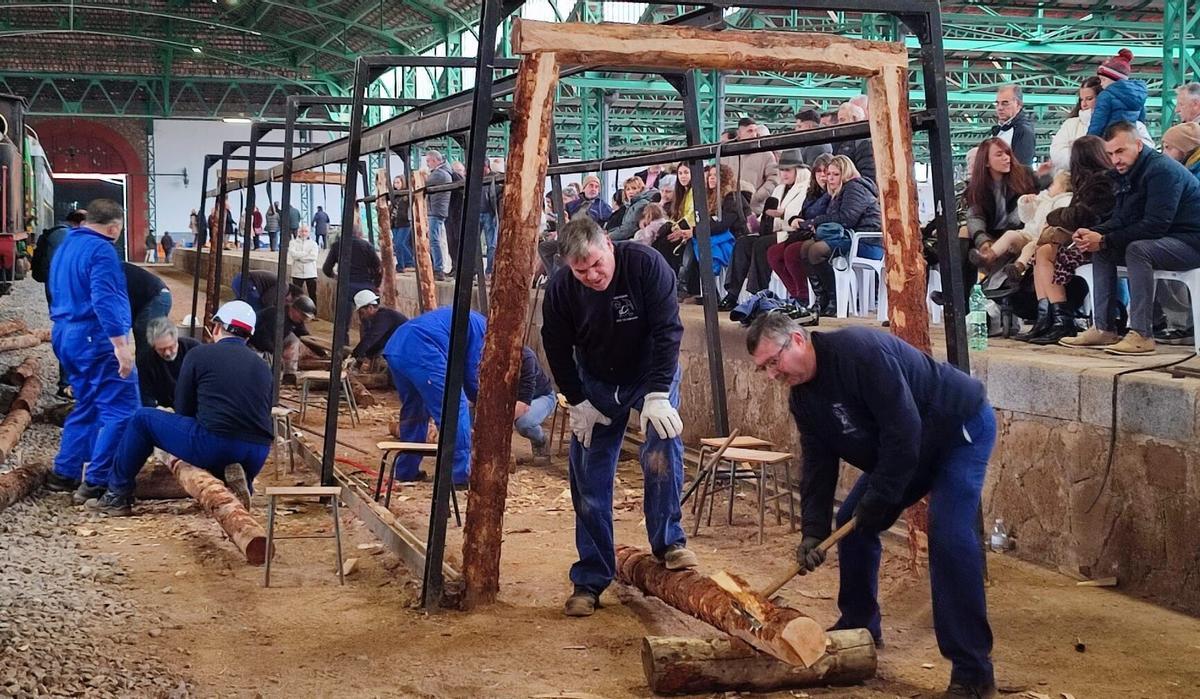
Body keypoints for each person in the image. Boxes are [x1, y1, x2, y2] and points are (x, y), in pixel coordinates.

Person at [746, 314, 997, 699]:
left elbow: (903, 431)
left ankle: (973, 672)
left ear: (797, 340)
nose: (771, 375)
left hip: (955, 430)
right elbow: (817, 465)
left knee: (948, 535)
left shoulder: (859, 353)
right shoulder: (804, 400)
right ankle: (859, 625)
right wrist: (814, 532)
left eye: (773, 362)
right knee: (852, 522)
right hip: (908, 448)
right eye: (764, 369)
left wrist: (879, 500)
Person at [541, 217, 694, 618]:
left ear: (608, 244)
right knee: (589, 471)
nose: (592, 275)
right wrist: (577, 401)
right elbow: (555, 348)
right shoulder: (560, 290)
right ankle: (590, 578)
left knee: (662, 446)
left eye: (596, 264)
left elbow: (668, 332)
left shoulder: (646, 265)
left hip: (650, 373)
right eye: (581, 270)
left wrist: (659, 393)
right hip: (596, 379)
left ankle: (668, 541)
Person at [86, 301, 274, 515]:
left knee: (142, 419)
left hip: (215, 443)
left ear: (217, 328)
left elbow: (184, 409)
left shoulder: (199, 354)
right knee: (225, 438)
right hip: (258, 452)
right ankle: (242, 482)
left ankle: (116, 495)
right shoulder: (263, 366)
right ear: (248, 336)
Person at [1062, 122, 1200, 355]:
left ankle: (1142, 334)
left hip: (1191, 242)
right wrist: (1095, 232)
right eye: (1110, 154)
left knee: (1138, 249)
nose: (1115, 160)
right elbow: (1122, 219)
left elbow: (1155, 225)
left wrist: (1105, 239)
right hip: (1168, 238)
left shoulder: (1162, 171)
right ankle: (1104, 328)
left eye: (1120, 151)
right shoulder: (1128, 174)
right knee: (1103, 249)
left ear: (1138, 145)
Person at [43, 199, 141, 506]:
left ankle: (65, 473)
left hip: (65, 334)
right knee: (123, 408)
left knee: (88, 404)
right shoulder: (102, 251)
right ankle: (97, 482)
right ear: (114, 227)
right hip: (94, 337)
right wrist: (121, 345)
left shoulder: (67, 244)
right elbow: (105, 299)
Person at [1017, 135, 1116, 345]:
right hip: (1086, 239)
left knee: (1044, 252)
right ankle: (1049, 317)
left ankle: (1060, 320)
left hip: (1095, 241)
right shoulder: (1095, 181)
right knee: (1042, 250)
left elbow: (1081, 215)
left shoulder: (1099, 183)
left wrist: (1053, 217)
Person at [382, 307, 486, 486]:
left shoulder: (471, 319)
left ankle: (406, 470)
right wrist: (483, 403)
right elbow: (470, 373)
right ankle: (460, 474)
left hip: (396, 347)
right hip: (422, 350)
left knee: (415, 410)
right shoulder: (484, 331)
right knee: (454, 405)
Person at [778, 155, 882, 317]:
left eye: (835, 174)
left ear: (846, 174)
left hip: (866, 242)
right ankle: (822, 298)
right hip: (848, 238)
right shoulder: (839, 191)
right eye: (829, 174)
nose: (830, 178)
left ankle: (835, 299)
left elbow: (847, 218)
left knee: (816, 250)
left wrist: (815, 221)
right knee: (805, 248)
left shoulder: (854, 188)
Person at [731, 150, 812, 307]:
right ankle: (732, 293)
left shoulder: (806, 188)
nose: (783, 174)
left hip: (793, 233)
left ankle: (758, 292)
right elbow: (768, 216)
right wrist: (755, 221)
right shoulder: (779, 189)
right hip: (774, 231)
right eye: (781, 170)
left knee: (762, 244)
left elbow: (796, 216)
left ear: (798, 170)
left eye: (787, 170)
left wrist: (781, 215)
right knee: (743, 242)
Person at [964, 138, 1037, 280]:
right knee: (963, 232)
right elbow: (975, 216)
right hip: (991, 234)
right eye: (999, 155)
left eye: (1007, 153)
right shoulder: (976, 188)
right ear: (985, 162)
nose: (1007, 158)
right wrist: (983, 241)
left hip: (1019, 231)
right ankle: (958, 290)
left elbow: (1030, 208)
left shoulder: (1025, 176)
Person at [32, 208, 87, 398]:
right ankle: (67, 385)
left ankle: (69, 383)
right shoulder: (64, 236)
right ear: (80, 223)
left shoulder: (60, 234)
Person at [768, 153, 834, 306]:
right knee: (773, 253)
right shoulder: (812, 192)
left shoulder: (832, 194)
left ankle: (804, 296)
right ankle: (795, 293)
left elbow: (829, 216)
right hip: (802, 232)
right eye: (819, 171)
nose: (823, 176)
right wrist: (793, 219)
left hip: (818, 235)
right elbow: (801, 213)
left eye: (827, 172)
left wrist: (803, 222)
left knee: (791, 252)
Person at [322, 225, 382, 349]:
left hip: (346, 285)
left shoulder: (337, 245)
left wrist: (335, 276)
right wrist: (376, 285)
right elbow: (378, 268)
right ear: (359, 234)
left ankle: (342, 347)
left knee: (343, 321)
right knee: (368, 320)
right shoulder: (366, 246)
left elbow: (326, 268)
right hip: (365, 285)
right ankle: (368, 348)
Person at [720, 117, 780, 215]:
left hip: (753, 210)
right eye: (749, 131)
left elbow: (774, 178)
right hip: (728, 209)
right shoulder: (727, 153)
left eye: (755, 131)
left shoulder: (766, 154)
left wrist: (757, 197)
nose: (753, 134)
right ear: (739, 133)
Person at [137, 317, 199, 408]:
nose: (167, 353)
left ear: (176, 339)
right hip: (166, 408)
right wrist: (157, 408)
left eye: (171, 347)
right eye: (161, 349)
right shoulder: (145, 360)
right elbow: (146, 395)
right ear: (153, 346)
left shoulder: (194, 349)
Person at [1087, 49, 1147, 138]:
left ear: (1115, 80)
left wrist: (1090, 140)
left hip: (1109, 138)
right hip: (1129, 139)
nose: (1101, 83)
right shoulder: (1138, 96)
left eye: (1103, 79)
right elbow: (1141, 120)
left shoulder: (1106, 95)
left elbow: (1098, 121)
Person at [250, 295, 316, 374]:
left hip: (272, 340)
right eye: (303, 315)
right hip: (255, 342)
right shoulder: (276, 316)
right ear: (294, 309)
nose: (303, 319)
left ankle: (289, 375)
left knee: (294, 340)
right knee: (262, 370)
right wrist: (279, 353)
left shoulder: (297, 320)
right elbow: (264, 339)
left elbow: (305, 337)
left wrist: (321, 352)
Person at [1049, 77, 1102, 173]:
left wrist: (1075, 150)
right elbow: (1056, 155)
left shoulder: (1111, 123)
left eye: (1089, 99)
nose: (1084, 104)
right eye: (1081, 99)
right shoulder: (1070, 124)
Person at [123, 262, 173, 360]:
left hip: (155, 297)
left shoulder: (107, 272)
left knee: (147, 345)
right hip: (145, 298)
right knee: (144, 343)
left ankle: (151, 374)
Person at [514, 346, 555, 463]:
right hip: (514, 399)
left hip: (541, 396)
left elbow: (523, 403)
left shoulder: (526, 357)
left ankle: (540, 441)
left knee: (524, 423)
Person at [350, 290, 408, 365]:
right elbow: (378, 340)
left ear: (370, 308)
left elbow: (371, 337)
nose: (361, 316)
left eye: (362, 313)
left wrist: (355, 355)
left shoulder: (383, 317)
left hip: (405, 347)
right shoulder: (379, 317)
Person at [991, 84, 1036, 167]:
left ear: (1018, 104)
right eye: (997, 103)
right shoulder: (1000, 129)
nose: (999, 108)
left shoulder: (1023, 131)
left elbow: (1022, 169)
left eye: (1005, 103)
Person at [425, 150, 453, 279]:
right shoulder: (444, 172)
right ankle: (437, 267)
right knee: (435, 239)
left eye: (428, 161)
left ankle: (438, 268)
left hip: (435, 210)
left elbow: (424, 183)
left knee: (434, 240)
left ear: (435, 160)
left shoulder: (439, 174)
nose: (427, 164)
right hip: (437, 210)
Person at [831, 102, 876, 183]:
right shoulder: (839, 141)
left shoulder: (864, 143)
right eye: (838, 120)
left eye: (842, 120)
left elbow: (868, 176)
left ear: (854, 119)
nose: (839, 124)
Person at [609, 176, 659, 243]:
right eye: (628, 189)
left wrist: (608, 236)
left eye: (634, 188)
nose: (630, 192)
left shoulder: (641, 204)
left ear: (641, 189)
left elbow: (629, 229)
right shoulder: (631, 205)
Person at [288, 225, 320, 301]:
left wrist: (299, 257)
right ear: (299, 232)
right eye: (302, 231)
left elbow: (313, 257)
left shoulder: (313, 244)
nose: (304, 233)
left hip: (310, 273)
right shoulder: (293, 242)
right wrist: (306, 253)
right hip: (297, 273)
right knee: (296, 295)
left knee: (312, 294)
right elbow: (293, 254)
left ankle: (314, 312)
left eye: (306, 231)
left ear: (309, 233)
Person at [390, 176, 415, 272]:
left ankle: (405, 263)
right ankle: (404, 263)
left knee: (400, 243)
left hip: (405, 222)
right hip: (395, 222)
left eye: (398, 182)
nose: (396, 185)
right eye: (395, 182)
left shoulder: (407, 195)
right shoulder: (394, 196)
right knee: (398, 244)